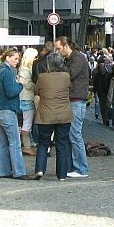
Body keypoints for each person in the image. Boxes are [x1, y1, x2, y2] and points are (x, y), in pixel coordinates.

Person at [0, 48, 33, 180]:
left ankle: (3, 171)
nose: (17, 61)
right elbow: (10, 92)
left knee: (3, 142)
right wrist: (20, 85)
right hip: (7, 109)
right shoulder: (8, 72)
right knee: (14, 141)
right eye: (15, 58)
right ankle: (19, 171)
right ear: (8, 58)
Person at [55, 36, 91, 179]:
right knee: (71, 134)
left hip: (76, 100)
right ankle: (73, 166)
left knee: (75, 134)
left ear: (65, 46)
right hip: (71, 99)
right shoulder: (71, 59)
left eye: (58, 48)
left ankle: (81, 168)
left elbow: (68, 75)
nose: (57, 51)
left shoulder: (78, 58)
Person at [33, 52, 73, 181]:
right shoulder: (66, 76)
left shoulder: (42, 77)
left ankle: (40, 169)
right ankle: (62, 174)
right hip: (63, 114)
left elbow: (36, 91)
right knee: (61, 144)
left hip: (46, 114)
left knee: (43, 143)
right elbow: (70, 89)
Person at [17, 48, 38, 156]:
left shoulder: (24, 68)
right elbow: (24, 84)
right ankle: (26, 146)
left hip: (26, 98)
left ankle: (28, 144)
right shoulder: (25, 70)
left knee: (27, 123)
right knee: (27, 124)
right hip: (26, 99)